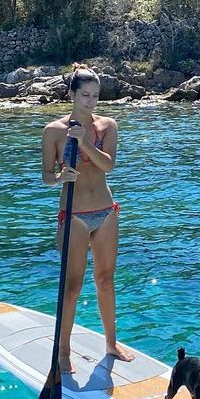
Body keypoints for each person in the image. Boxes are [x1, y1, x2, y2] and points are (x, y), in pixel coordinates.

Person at [41, 65, 134, 373]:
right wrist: (58, 177)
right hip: (74, 215)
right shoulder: (54, 131)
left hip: (106, 212)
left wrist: (83, 142)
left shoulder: (108, 125)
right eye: (85, 95)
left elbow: (108, 166)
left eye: (95, 96)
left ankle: (111, 343)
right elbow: (45, 175)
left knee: (106, 281)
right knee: (72, 286)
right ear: (71, 94)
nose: (91, 102)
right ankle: (63, 352)